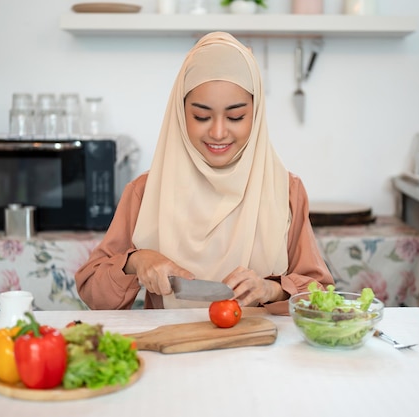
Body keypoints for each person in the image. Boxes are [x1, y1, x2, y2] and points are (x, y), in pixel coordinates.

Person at [75, 31, 333, 315]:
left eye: (236, 117)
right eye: (201, 116)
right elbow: (93, 293)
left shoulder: (285, 190)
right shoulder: (146, 192)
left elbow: (319, 292)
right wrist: (134, 262)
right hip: (172, 348)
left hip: (261, 352)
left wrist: (272, 289)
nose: (218, 132)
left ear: (256, 115)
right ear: (180, 112)